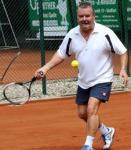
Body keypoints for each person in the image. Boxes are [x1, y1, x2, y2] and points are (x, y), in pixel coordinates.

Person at [35, 2, 128, 150]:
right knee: (82, 113)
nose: (84, 19)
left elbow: (122, 51)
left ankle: (88, 145)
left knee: (92, 109)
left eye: (87, 16)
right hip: (84, 80)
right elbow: (61, 54)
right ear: (77, 18)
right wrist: (45, 68)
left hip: (102, 79)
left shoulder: (105, 33)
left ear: (93, 16)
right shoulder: (72, 34)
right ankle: (106, 131)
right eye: (81, 16)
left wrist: (123, 69)